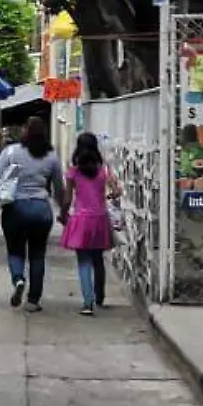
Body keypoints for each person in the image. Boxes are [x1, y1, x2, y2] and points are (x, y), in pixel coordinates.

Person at [0, 115, 65, 312]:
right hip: (41, 209)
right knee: (38, 255)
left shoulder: (11, 151)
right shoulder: (51, 156)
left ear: (25, 131)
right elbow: (58, 187)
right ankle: (33, 301)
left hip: (15, 207)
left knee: (15, 250)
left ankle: (18, 279)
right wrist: (64, 211)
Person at [60, 132, 121, 316]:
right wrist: (108, 197)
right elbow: (117, 191)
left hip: (80, 219)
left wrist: (63, 214)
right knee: (98, 260)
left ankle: (88, 302)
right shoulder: (103, 171)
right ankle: (100, 296)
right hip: (100, 219)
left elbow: (68, 199)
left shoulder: (73, 172)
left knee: (83, 261)